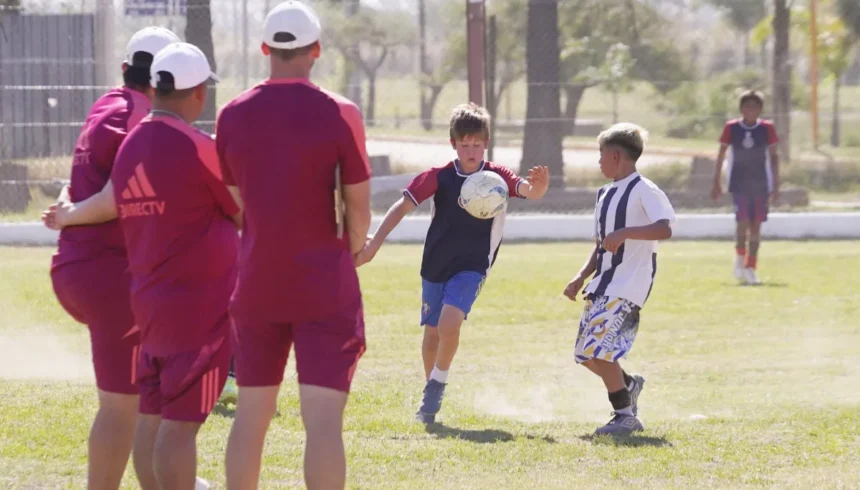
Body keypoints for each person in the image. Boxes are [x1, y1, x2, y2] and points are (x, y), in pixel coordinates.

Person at [45, 43, 238, 490]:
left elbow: (103, 191)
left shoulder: (119, 124)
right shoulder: (178, 138)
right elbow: (241, 210)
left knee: (145, 412)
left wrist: (68, 212)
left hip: (136, 294)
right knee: (164, 420)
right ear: (198, 93)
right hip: (172, 299)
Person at [216, 2, 371, 488]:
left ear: (265, 49)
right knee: (322, 425)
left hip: (257, 281)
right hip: (324, 282)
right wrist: (352, 250)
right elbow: (358, 207)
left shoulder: (231, 114)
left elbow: (236, 202)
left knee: (250, 417)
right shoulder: (341, 113)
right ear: (316, 49)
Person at [42, 26, 179, 490]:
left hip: (80, 267)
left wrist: (67, 209)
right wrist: (70, 215)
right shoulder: (142, 118)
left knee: (143, 400)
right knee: (123, 408)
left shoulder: (106, 104)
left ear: (125, 69)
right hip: (111, 275)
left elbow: (77, 179)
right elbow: (119, 195)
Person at [355, 103, 549, 424]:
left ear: (486, 143)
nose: (471, 150)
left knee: (449, 323)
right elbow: (401, 207)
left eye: (477, 144)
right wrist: (375, 242)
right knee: (432, 335)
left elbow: (528, 190)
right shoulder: (439, 177)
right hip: (436, 264)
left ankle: (438, 384)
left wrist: (538, 187)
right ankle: (429, 391)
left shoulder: (497, 177)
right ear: (453, 144)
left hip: (473, 266)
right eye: (464, 144)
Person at [562, 123, 675, 435]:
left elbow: (664, 228)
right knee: (585, 354)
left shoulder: (644, 190)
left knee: (601, 350)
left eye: (601, 155)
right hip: (603, 284)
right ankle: (629, 386)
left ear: (615, 156)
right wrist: (581, 276)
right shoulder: (605, 193)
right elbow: (602, 244)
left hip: (628, 284)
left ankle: (625, 415)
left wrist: (625, 233)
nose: (599, 161)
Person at [711, 90, 780, 285]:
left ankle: (751, 268)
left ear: (760, 109)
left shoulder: (767, 128)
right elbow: (721, 154)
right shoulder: (732, 128)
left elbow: (774, 157)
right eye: (747, 106)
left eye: (755, 106)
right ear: (741, 108)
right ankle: (740, 258)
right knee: (742, 223)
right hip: (739, 183)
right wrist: (716, 181)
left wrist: (776, 185)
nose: (751, 110)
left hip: (761, 184)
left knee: (756, 226)